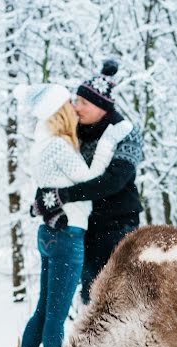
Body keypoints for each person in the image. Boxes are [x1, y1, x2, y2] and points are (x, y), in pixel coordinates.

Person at [9, 83, 132, 347]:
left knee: (43, 308)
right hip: (68, 237)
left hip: (49, 235)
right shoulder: (59, 147)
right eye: (70, 105)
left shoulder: (43, 144)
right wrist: (110, 139)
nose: (75, 110)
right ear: (60, 112)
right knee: (56, 314)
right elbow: (93, 178)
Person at [32, 59, 144, 305]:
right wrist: (43, 196)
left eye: (83, 102)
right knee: (89, 296)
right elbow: (53, 164)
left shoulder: (125, 133)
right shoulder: (77, 129)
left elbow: (114, 181)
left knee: (115, 294)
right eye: (75, 100)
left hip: (117, 225)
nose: (75, 107)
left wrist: (64, 195)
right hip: (84, 225)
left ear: (100, 106)